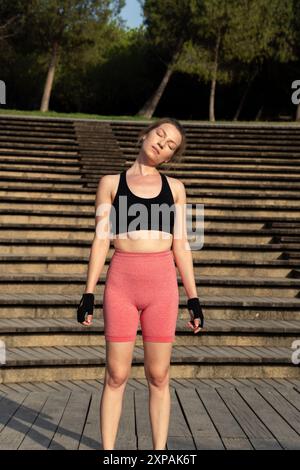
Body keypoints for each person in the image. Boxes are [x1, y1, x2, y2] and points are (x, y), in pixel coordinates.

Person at [76, 117, 205, 451]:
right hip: (121, 283)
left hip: (161, 287)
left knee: (159, 376)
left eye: (171, 145)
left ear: (170, 157)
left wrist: (193, 299)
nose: (162, 143)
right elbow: (101, 240)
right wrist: (88, 293)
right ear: (145, 134)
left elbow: (182, 246)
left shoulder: (175, 189)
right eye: (160, 134)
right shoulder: (110, 183)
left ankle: (158, 454)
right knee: (116, 375)